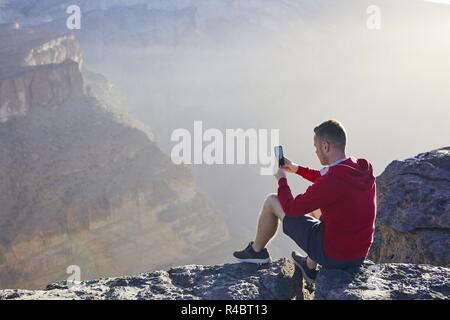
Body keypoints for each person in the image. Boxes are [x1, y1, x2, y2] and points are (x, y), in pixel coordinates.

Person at [233, 120, 376, 284]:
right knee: (317, 211)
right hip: (358, 255)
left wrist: (281, 179)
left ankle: (256, 253)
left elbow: (292, 208)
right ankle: (309, 266)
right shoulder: (361, 168)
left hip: (335, 257)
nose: (315, 151)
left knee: (273, 201)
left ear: (325, 146)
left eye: (316, 147)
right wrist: (297, 169)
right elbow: (328, 178)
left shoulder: (332, 181)